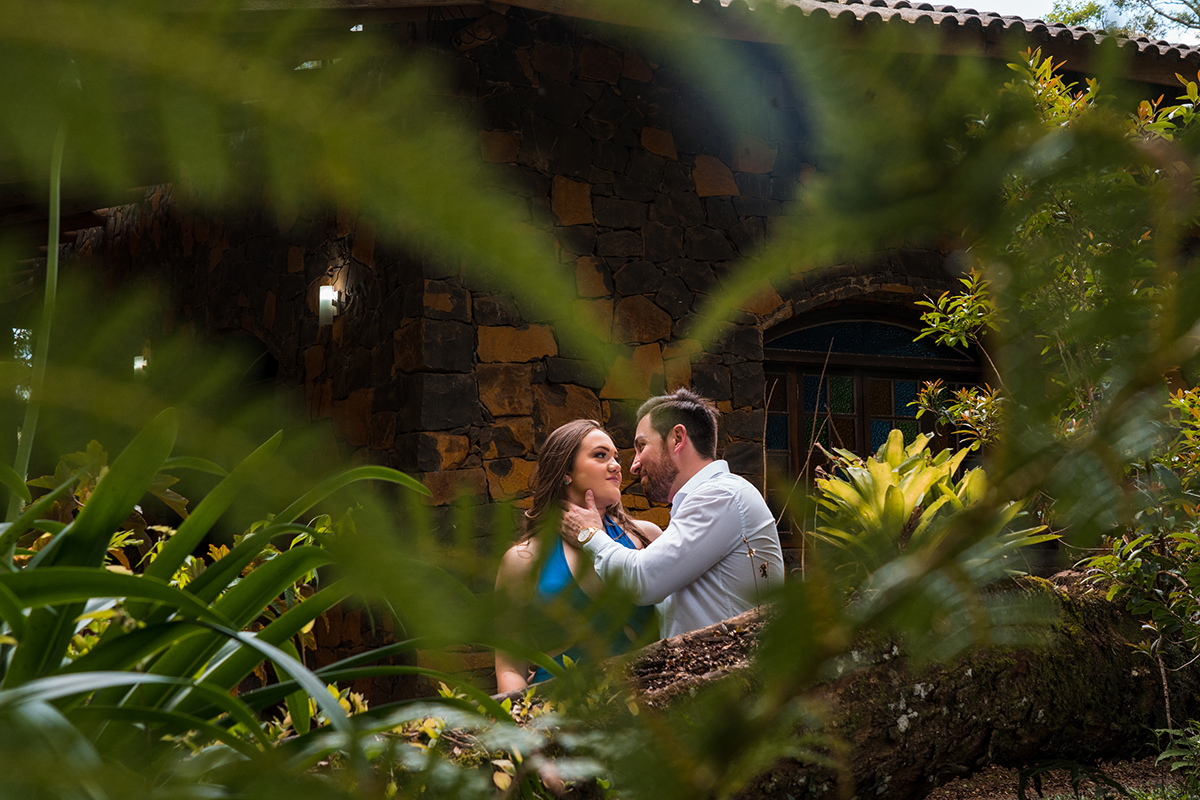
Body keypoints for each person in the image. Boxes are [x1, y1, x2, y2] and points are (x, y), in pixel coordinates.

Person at [560, 388, 784, 639]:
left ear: (677, 439)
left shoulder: (721, 496)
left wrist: (590, 534)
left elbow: (642, 580)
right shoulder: (711, 499)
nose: (633, 466)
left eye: (641, 446)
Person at [494, 419, 662, 694]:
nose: (617, 465)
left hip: (650, 707)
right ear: (565, 472)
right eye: (600, 455)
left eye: (616, 457)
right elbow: (510, 666)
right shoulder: (522, 559)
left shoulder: (648, 538)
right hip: (559, 714)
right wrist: (523, 726)